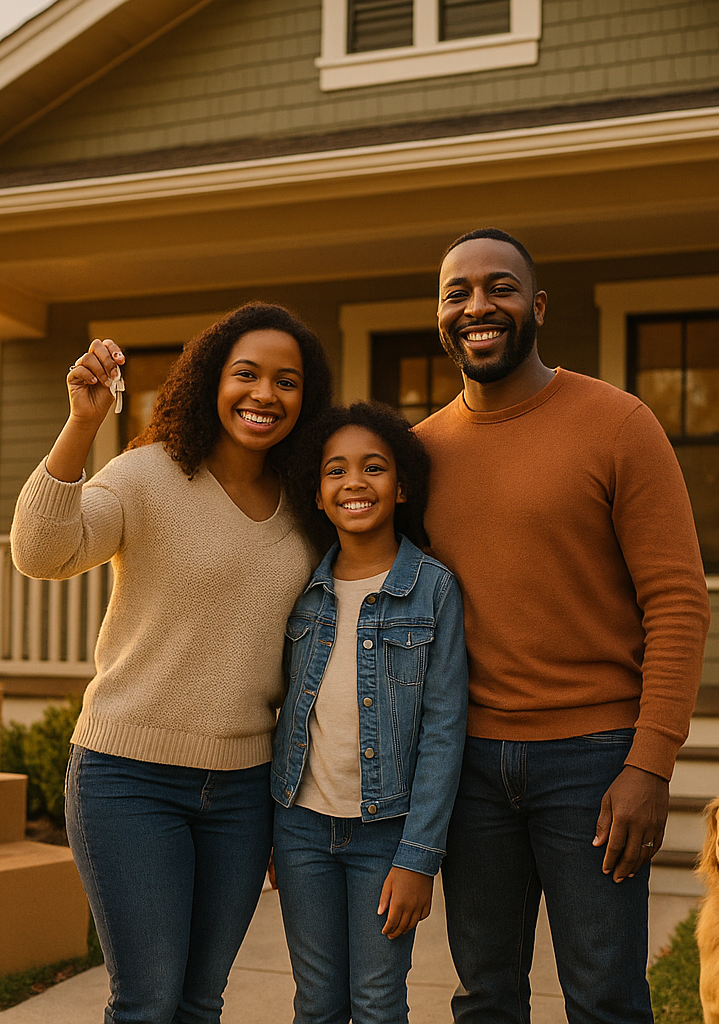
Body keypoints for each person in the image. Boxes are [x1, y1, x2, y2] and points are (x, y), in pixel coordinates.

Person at [414, 228, 711, 1024]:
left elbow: (678, 600)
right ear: (440, 316)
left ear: (536, 306)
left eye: (499, 288)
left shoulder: (618, 424)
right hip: (466, 767)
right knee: (484, 999)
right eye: (457, 292)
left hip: (595, 763)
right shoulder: (417, 455)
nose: (478, 306)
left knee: (606, 998)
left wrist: (649, 763)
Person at [10, 302, 333, 1024]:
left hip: (245, 792)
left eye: (287, 381)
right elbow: (41, 552)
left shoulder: (308, 505)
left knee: (198, 1001)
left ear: (304, 399)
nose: (263, 394)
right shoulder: (147, 475)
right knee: (148, 1001)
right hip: (129, 780)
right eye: (245, 374)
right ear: (211, 381)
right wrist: (82, 424)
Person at [271, 401, 468, 1024]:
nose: (354, 482)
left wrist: (418, 857)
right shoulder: (301, 585)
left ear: (402, 485)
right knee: (317, 1003)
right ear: (320, 495)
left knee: (378, 1003)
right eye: (336, 471)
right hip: (300, 826)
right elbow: (277, 708)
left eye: (374, 467)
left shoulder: (434, 588)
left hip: (387, 831)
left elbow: (443, 730)